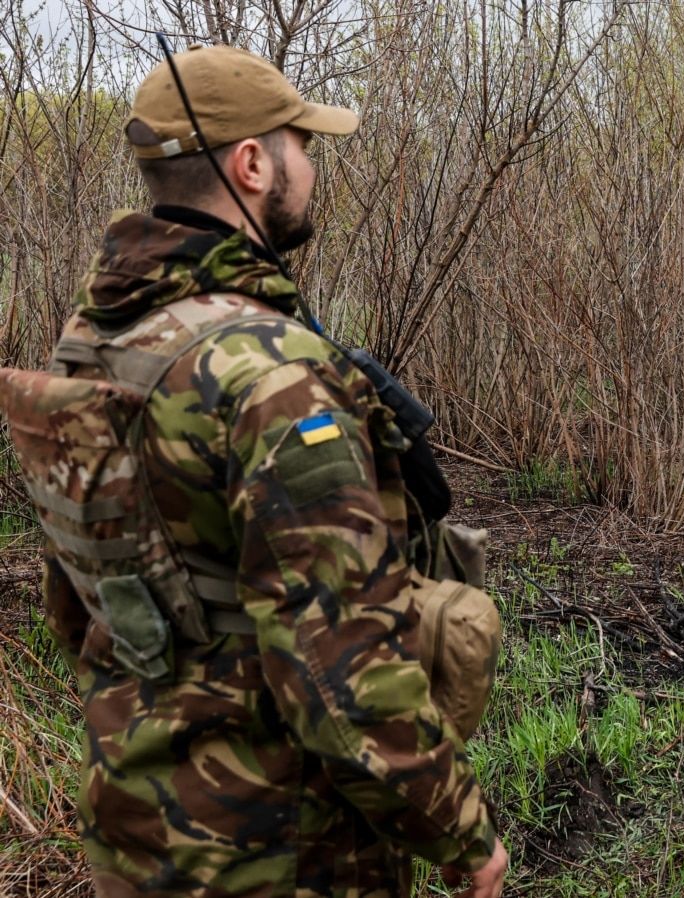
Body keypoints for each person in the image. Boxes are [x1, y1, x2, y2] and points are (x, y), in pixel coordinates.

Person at [36, 45, 508, 896]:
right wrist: (460, 833)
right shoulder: (272, 371)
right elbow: (339, 668)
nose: (314, 167)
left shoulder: (95, 342)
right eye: (303, 145)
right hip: (276, 850)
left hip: (134, 828)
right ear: (254, 164)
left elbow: (82, 601)